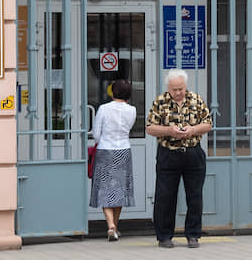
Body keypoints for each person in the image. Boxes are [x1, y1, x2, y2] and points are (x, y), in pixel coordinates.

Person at [145, 69, 212, 249]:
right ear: (168, 87)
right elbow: (150, 128)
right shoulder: (160, 102)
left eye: (180, 89)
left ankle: (193, 235)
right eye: (174, 89)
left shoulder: (196, 100)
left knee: (195, 196)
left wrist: (193, 130)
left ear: (185, 86)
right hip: (168, 153)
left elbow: (208, 123)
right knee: (165, 196)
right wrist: (169, 130)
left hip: (192, 152)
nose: (178, 93)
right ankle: (164, 236)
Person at [89, 79, 137, 241]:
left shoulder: (104, 109)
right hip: (123, 150)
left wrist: (102, 140)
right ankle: (115, 226)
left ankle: (110, 225)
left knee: (105, 189)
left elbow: (96, 133)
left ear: (113, 92)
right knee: (119, 190)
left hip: (105, 150)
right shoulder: (132, 110)